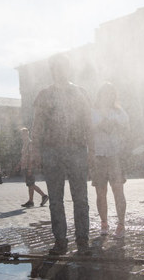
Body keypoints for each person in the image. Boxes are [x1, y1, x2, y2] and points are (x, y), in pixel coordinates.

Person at [30, 54, 94, 255]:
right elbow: (37, 126)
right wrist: (35, 151)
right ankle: (60, 241)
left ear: (69, 69)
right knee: (56, 199)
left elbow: (88, 125)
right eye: (56, 67)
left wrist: (91, 151)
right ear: (52, 70)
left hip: (77, 149)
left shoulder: (80, 93)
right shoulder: (44, 95)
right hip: (52, 151)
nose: (60, 70)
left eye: (64, 66)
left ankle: (82, 239)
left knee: (81, 198)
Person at [91, 82, 130, 238]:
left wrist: (117, 127)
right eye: (105, 93)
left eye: (111, 93)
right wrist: (100, 125)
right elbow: (87, 131)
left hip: (115, 155)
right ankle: (104, 222)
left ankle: (121, 224)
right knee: (101, 193)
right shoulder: (92, 112)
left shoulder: (120, 112)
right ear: (100, 95)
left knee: (118, 191)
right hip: (98, 156)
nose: (108, 96)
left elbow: (128, 132)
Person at [19, 127, 49, 208]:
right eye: (21, 134)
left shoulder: (30, 143)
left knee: (31, 184)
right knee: (30, 184)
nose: (22, 136)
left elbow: (31, 157)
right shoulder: (25, 144)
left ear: (27, 134)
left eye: (23, 134)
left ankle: (42, 196)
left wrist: (29, 168)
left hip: (30, 167)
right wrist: (20, 165)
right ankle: (31, 200)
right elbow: (24, 156)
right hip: (26, 167)